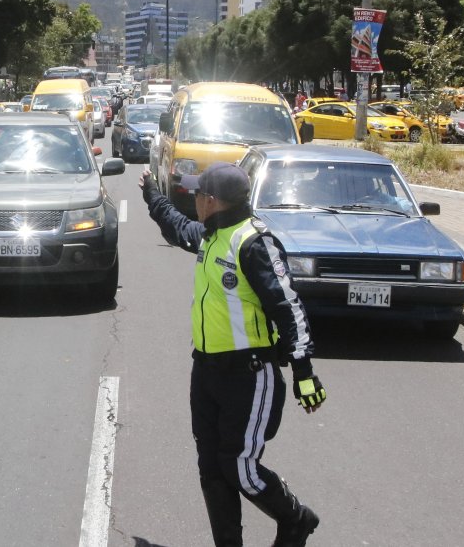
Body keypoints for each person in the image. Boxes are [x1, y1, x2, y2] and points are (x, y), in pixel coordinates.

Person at [139, 163, 326, 547]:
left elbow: (287, 307)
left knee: (238, 467)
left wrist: (303, 371)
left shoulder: (253, 242)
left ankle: (295, 519)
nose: (192, 199)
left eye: (197, 194)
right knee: (211, 467)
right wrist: (152, 197)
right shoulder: (211, 234)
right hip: (206, 371)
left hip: (249, 374)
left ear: (211, 201)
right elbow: (177, 227)